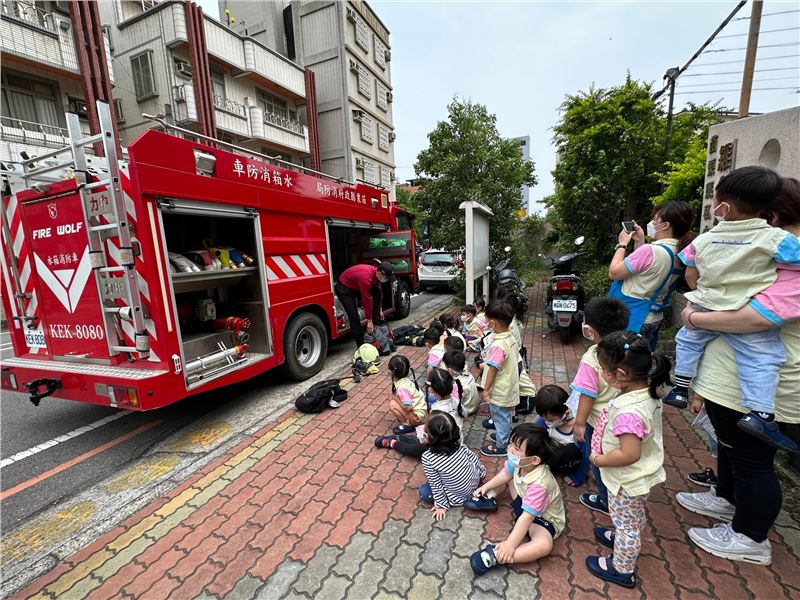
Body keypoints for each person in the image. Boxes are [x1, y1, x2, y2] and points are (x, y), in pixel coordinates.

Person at [675, 176, 800, 566]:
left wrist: (695, 317)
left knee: (752, 462)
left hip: (762, 385)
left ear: (772, 214)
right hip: (729, 383)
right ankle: (727, 498)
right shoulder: (760, 252)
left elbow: (757, 317)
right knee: (730, 448)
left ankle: (750, 536)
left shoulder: (782, 256)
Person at [664, 167, 800, 451]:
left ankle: (679, 389)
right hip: (739, 309)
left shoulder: (703, 239)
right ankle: (761, 413)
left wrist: (702, 290)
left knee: (687, 341)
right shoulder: (776, 239)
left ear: (723, 207)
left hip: (703, 305)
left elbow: (689, 269)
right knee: (762, 358)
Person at [585, 331, 671, 588]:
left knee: (627, 525)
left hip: (627, 480)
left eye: (604, 369)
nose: (602, 373)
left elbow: (629, 453)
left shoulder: (630, 412)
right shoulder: (645, 392)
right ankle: (624, 534)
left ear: (621, 374)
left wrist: (599, 460)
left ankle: (622, 568)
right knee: (630, 516)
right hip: (635, 478)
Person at [466, 424, 565, 575]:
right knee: (509, 477)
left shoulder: (540, 484)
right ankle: (489, 496)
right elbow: (505, 475)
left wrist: (510, 545)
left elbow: (527, 517)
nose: (510, 449)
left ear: (534, 460)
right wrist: (486, 487)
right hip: (524, 501)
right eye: (510, 443)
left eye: (516, 448)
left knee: (544, 545)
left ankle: (499, 556)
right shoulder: (521, 463)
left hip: (542, 520)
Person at [608, 200, 695, 351]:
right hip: (652, 318)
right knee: (640, 361)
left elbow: (614, 272)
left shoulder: (651, 250)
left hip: (632, 317)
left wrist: (622, 244)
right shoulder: (681, 252)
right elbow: (646, 272)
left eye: (655, 220)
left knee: (620, 360)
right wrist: (640, 241)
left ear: (665, 225)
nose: (652, 223)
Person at [571, 297, 630, 514]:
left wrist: (579, 423)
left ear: (590, 330)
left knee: (598, 460)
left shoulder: (592, 359)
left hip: (598, 423)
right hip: (625, 419)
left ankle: (606, 500)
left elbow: (587, 395)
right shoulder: (631, 348)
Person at [375, 367, 465, 455]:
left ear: (432, 388)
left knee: (412, 448)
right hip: (456, 441)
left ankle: (393, 442)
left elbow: (429, 436)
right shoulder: (456, 400)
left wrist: (422, 434)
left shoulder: (436, 410)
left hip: (442, 447)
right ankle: (397, 439)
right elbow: (464, 415)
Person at [418, 412, 486, 521]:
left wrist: (441, 505)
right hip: (475, 486)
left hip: (457, 497)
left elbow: (436, 484)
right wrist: (482, 477)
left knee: (424, 492)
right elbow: (475, 461)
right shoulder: (461, 446)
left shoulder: (428, 458)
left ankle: (446, 501)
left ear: (429, 437)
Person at [479, 302, 521, 457]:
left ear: (492, 323)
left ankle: (502, 445)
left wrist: (486, 389)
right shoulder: (510, 337)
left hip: (500, 388)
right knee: (505, 415)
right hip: (509, 384)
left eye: (486, 320)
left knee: (500, 416)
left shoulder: (498, 345)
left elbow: (493, 369)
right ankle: (504, 436)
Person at [535, 384, 587, 486]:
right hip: (551, 455)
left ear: (565, 412)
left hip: (570, 461)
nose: (547, 422)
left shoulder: (578, 428)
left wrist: (579, 476)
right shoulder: (542, 422)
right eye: (544, 418)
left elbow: (586, 455)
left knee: (571, 449)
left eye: (551, 420)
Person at [335, 261, 394, 347]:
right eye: (386, 277)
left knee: (378, 291)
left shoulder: (377, 275)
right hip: (344, 288)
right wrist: (369, 320)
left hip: (355, 284)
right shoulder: (365, 278)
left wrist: (380, 310)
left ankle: (376, 327)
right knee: (353, 315)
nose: (387, 280)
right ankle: (360, 344)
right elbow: (366, 300)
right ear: (380, 273)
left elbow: (379, 293)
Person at [386, 355, 426, 435]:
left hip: (417, 417)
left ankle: (408, 424)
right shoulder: (406, 381)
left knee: (392, 404)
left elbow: (408, 407)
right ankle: (410, 420)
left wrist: (395, 398)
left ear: (390, 372)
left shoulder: (402, 388)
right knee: (394, 400)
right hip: (422, 412)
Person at [443, 350, 479, 415]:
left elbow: (455, 403)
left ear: (449, 370)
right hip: (473, 406)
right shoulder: (467, 373)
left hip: (466, 410)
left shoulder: (457, 385)